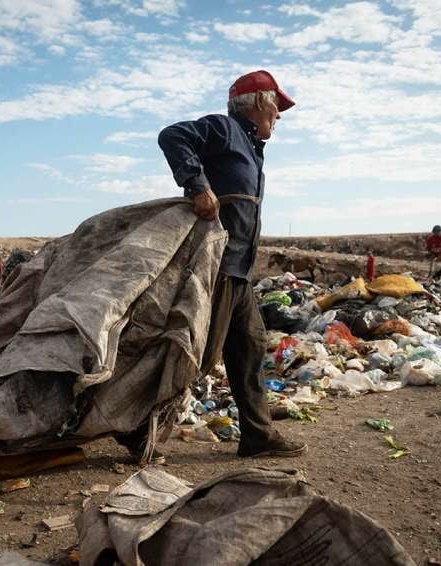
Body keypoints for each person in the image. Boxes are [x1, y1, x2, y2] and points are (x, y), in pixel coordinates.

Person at [139, 69, 306, 461]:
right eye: (276, 106)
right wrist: (197, 186)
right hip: (216, 267)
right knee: (196, 355)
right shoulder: (224, 129)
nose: (279, 115)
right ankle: (136, 431)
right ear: (260, 104)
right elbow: (173, 135)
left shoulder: (250, 148)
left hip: (239, 270)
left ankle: (256, 435)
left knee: (249, 345)